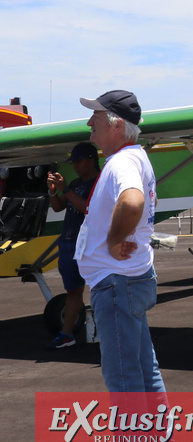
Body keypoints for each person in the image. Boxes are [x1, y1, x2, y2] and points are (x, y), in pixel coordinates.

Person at [78, 90, 181, 442]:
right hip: (131, 281)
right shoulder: (134, 159)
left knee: (124, 379)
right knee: (144, 373)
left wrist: (113, 238)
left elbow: (132, 201)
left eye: (97, 118)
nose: (91, 125)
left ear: (117, 125)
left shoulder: (122, 161)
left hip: (117, 286)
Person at [44, 141, 100, 349]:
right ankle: (67, 334)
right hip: (69, 243)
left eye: (78, 161)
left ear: (90, 160)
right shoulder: (76, 184)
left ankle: (102, 330)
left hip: (89, 244)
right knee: (73, 290)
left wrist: (65, 188)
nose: (75, 165)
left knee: (99, 288)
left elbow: (88, 208)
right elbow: (59, 207)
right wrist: (52, 192)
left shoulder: (99, 183)